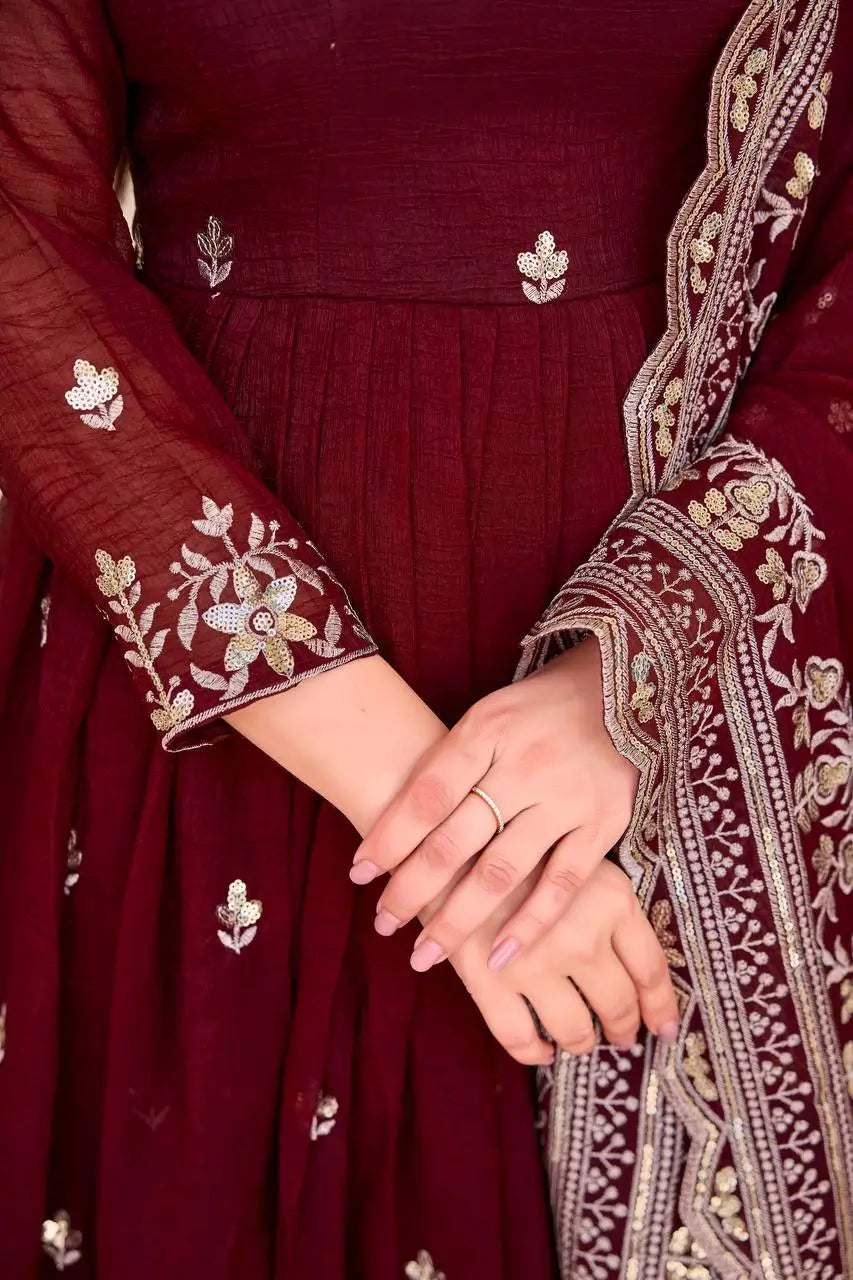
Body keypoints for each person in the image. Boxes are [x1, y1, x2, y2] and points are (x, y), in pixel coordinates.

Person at [0, 3, 850, 1279]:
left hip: (683, 702)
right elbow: (20, 244)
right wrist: (449, 825)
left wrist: (633, 664)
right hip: (215, 714)